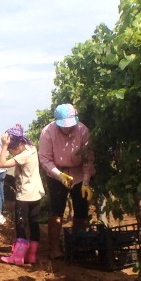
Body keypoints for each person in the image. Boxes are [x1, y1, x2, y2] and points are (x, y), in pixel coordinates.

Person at [38, 103, 95, 259]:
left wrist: (85, 181)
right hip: (57, 173)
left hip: (78, 173)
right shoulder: (47, 133)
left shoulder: (83, 131)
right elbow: (45, 158)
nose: (68, 129)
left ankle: (78, 246)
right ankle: (54, 249)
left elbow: (88, 159)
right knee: (56, 211)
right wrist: (58, 174)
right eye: (64, 126)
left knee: (81, 211)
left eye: (71, 125)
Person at [0, 125, 44, 265]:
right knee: (34, 224)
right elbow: (22, 140)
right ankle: (32, 256)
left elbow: (2, 163)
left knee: (21, 225)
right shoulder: (31, 148)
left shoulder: (23, 156)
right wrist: (18, 130)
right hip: (36, 192)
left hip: (24, 195)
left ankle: (17, 257)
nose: (11, 152)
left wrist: (4, 145)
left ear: (16, 146)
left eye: (11, 149)